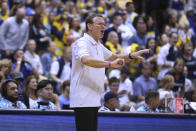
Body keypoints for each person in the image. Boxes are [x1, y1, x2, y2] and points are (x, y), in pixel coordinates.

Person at [70, 14, 149, 131]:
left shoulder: (98, 45)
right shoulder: (82, 42)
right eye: (100, 24)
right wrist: (110, 65)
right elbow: (86, 60)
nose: (104, 26)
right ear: (90, 26)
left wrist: (132, 56)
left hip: (93, 98)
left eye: (104, 24)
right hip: (83, 97)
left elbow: (115, 57)